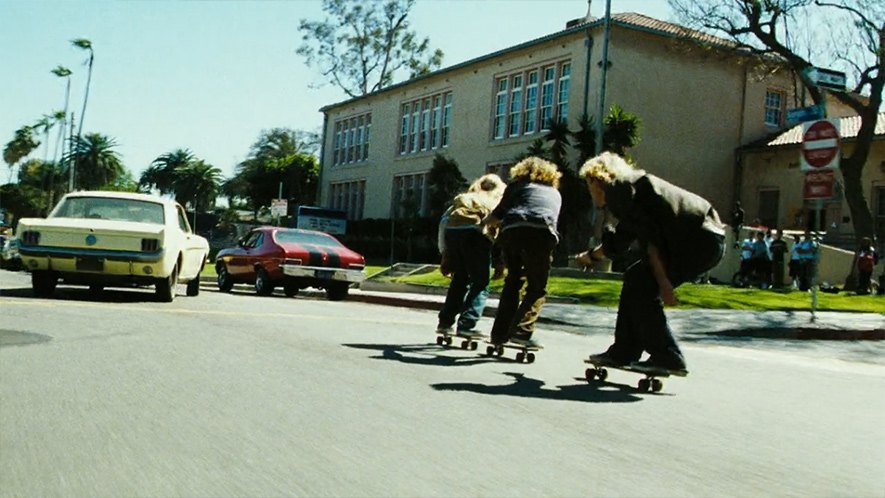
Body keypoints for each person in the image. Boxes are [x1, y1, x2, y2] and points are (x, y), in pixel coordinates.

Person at [575, 152, 725, 373]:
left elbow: (650, 240)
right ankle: (624, 351)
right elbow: (622, 239)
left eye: (588, 186)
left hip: (697, 241)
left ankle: (667, 357)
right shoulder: (634, 187)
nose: (590, 193)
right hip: (707, 238)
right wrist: (593, 256)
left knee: (643, 286)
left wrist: (663, 282)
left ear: (595, 180)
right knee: (636, 278)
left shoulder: (617, 189)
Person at [483, 157, 562, 348]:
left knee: (513, 281)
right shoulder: (554, 192)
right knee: (537, 287)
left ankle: (499, 336)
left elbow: (497, 215)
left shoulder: (517, 186)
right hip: (542, 234)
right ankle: (522, 331)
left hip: (513, 230)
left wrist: (484, 224)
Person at [436, 174, 507, 337]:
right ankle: (467, 324)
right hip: (476, 235)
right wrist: (500, 261)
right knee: (481, 282)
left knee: (460, 279)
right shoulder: (495, 201)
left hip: (453, 234)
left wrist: (445, 253)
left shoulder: (464, 198)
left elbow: (443, 223)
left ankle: (445, 322)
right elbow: (500, 233)